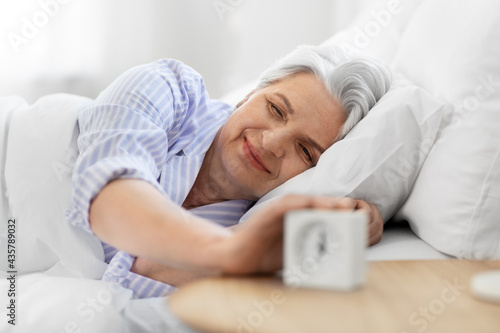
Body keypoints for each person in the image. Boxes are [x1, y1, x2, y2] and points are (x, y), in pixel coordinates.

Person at [66, 45, 391, 298]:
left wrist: (337, 232)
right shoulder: (169, 87)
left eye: (305, 151)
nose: (272, 142)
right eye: (276, 109)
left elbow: (145, 270)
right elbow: (108, 193)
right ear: (249, 95)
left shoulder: (249, 221)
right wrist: (231, 252)